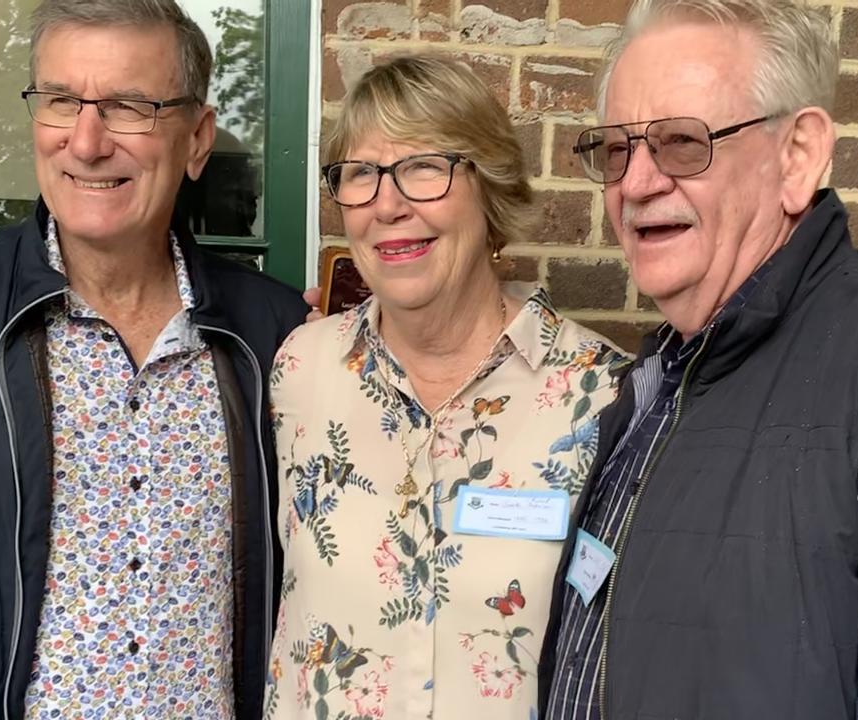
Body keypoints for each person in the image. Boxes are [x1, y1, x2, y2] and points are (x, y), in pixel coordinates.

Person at [539, 1, 858, 719]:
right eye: (616, 149)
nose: (635, 185)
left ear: (799, 156)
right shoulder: (662, 379)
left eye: (683, 143)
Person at [0, 1, 305, 717]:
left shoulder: (271, 335)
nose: (85, 142)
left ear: (198, 139)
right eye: (60, 102)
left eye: (127, 107)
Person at [263, 55, 627, 719]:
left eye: (425, 167)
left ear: (489, 189)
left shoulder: (603, 395)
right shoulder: (300, 371)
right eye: (361, 174)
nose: (388, 205)